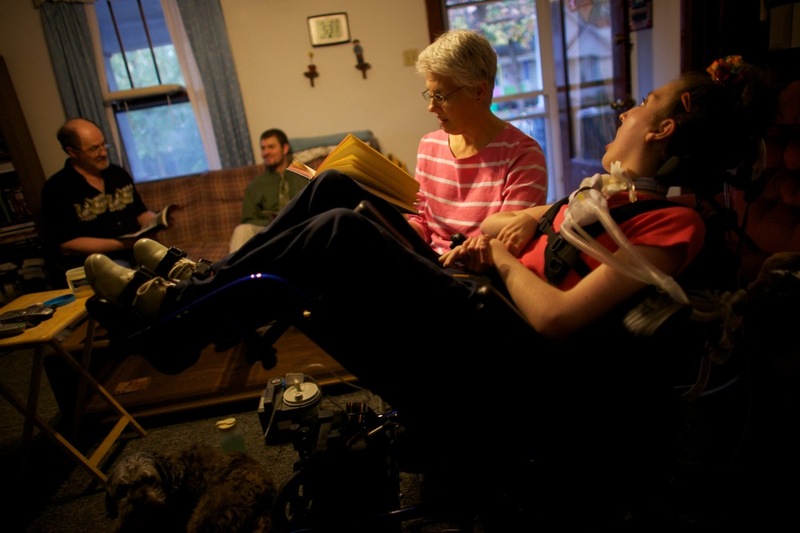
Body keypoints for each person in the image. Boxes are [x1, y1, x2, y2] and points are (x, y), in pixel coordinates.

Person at [83, 57, 775, 527]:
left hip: (514, 352)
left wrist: (504, 264)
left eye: (638, 106)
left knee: (338, 236)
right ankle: (192, 285)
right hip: (480, 294)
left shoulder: (673, 221)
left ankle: (175, 322)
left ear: (661, 129)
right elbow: (554, 237)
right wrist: (513, 230)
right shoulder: (606, 194)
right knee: (334, 185)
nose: (623, 114)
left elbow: (559, 318)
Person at [410, 29, 548, 255]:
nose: (431, 107)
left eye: (441, 96)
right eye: (430, 94)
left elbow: (510, 241)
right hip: (429, 265)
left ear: (478, 90)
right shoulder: (429, 146)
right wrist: (400, 233)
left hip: (478, 277)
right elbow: (422, 220)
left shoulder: (522, 154)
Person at [41, 117, 158, 272]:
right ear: (72, 152)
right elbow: (67, 244)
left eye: (103, 144)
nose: (103, 153)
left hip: (138, 253)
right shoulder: (56, 188)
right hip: (98, 263)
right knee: (128, 277)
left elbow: (140, 213)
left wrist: (157, 221)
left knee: (184, 268)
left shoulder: (118, 175)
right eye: (94, 149)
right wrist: (124, 244)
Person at [228, 128, 308, 253]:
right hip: (270, 232)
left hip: (302, 227)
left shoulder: (304, 172)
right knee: (241, 230)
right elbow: (248, 219)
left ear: (285, 148)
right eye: (263, 148)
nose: (266, 152)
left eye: (271, 147)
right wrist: (272, 221)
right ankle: (233, 271)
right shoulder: (255, 185)